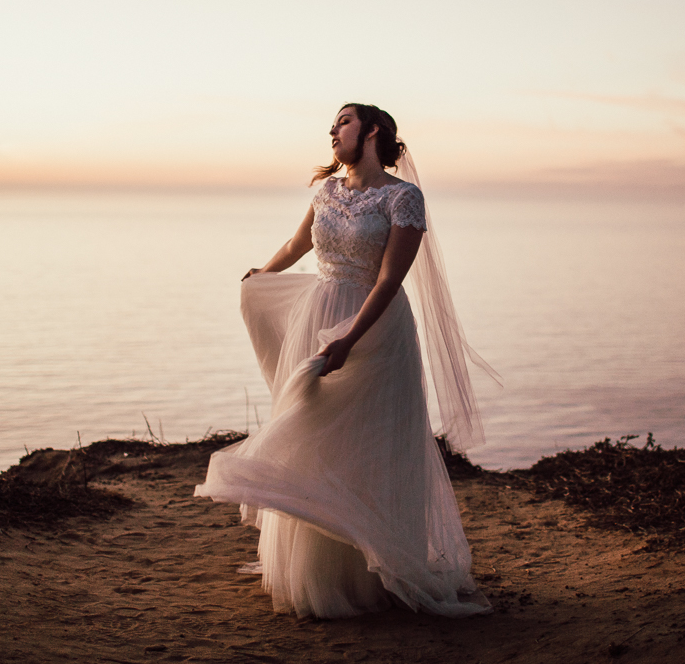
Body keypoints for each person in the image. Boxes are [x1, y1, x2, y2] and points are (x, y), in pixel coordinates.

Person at [194, 103, 495, 619]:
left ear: (373, 130)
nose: (333, 132)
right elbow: (296, 244)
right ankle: (318, 574)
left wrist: (350, 339)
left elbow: (389, 280)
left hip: (372, 328)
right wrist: (261, 274)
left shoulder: (404, 198)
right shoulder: (327, 192)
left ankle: (370, 576)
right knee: (312, 433)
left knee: (370, 441)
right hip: (318, 313)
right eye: (333, 125)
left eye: (344, 122)